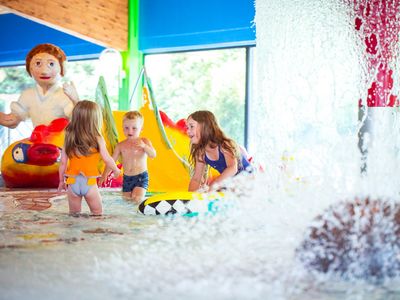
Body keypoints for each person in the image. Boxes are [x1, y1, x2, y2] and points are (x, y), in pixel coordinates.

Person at [58, 100, 120, 216]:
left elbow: (63, 163)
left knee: (74, 215)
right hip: (89, 183)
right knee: (97, 214)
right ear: (95, 120)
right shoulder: (97, 138)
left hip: (72, 183)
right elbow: (107, 159)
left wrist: (61, 181)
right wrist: (116, 169)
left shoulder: (69, 137)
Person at [0, 43, 79, 128]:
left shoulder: (65, 95)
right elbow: (12, 120)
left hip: (62, 140)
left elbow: (79, 121)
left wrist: (76, 101)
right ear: (30, 68)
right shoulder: (27, 95)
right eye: (38, 63)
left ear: (62, 67)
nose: (44, 71)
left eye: (51, 64)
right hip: (37, 140)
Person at [186, 110, 252, 192]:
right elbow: (196, 178)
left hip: (249, 178)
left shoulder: (224, 144)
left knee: (215, 189)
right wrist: (189, 199)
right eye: (187, 127)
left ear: (205, 127)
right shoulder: (201, 152)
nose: (188, 131)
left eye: (191, 126)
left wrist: (213, 186)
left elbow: (232, 168)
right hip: (231, 182)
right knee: (210, 190)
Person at [100, 111, 156, 203]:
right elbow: (111, 161)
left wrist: (145, 147)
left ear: (141, 128)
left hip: (141, 177)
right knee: (127, 202)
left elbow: (153, 155)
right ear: (122, 128)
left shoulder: (144, 141)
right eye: (126, 128)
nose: (130, 131)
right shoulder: (120, 145)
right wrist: (104, 175)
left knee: (137, 199)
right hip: (127, 179)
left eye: (134, 128)